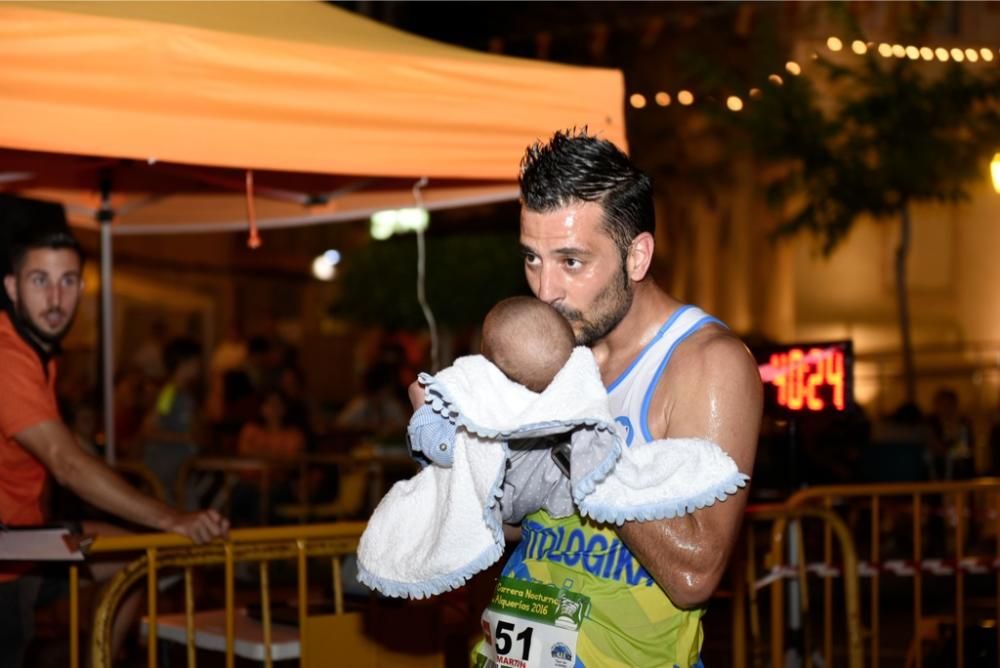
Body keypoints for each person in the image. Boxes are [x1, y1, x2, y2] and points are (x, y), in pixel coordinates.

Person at [409, 130, 762, 667]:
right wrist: (460, 458)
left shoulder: (707, 365)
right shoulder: (547, 351)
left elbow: (695, 576)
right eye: (532, 258)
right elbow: (512, 524)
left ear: (636, 256)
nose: (545, 289)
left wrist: (578, 440)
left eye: (571, 262)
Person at [0, 195, 228, 668]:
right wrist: (171, 518)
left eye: (67, 282)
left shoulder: (35, 346)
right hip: (9, 549)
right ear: (12, 287)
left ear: (81, 288)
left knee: (128, 559)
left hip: (25, 540)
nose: (56, 298)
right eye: (40, 281)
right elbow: (66, 464)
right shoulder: (8, 354)